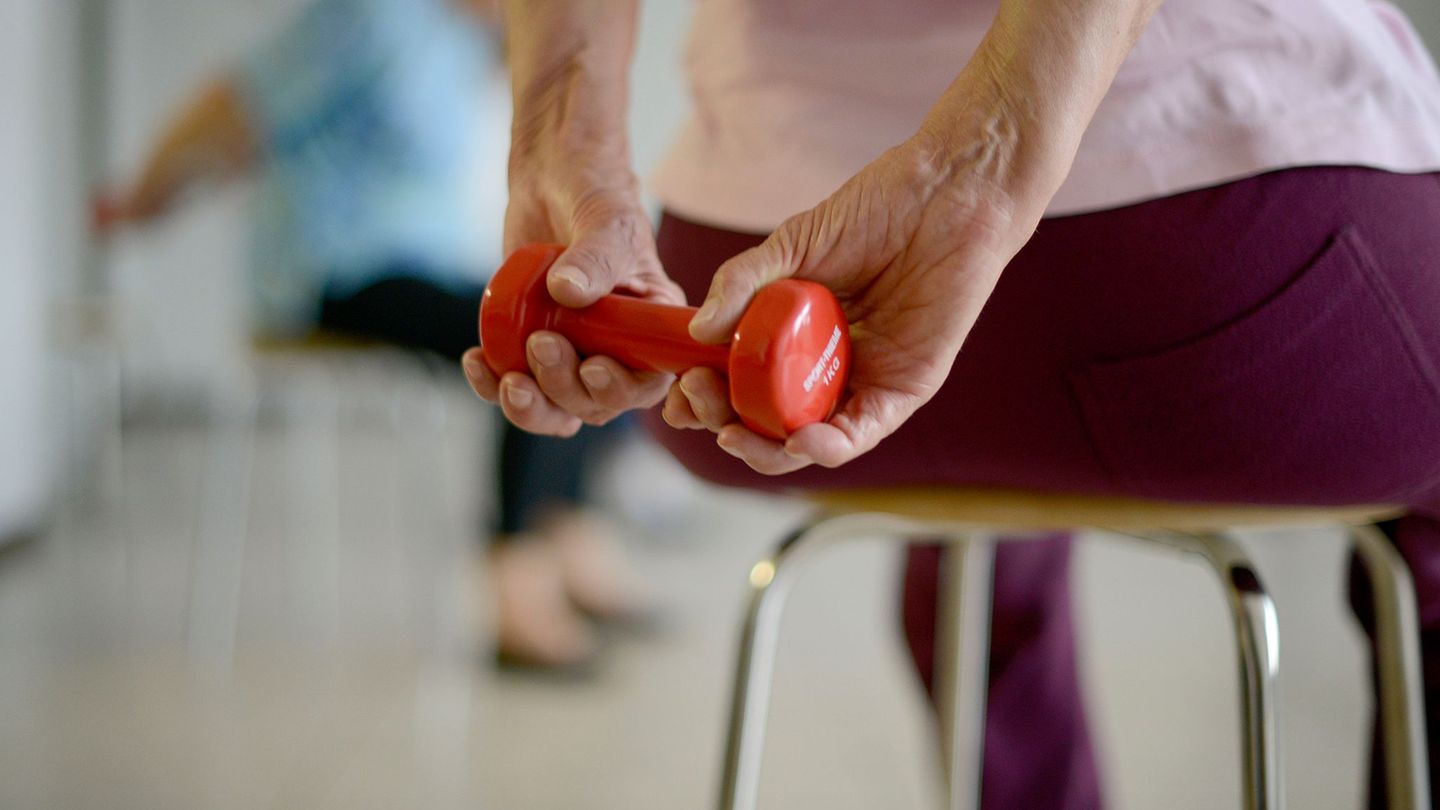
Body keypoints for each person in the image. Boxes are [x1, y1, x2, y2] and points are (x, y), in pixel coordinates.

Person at [464, 0, 1440, 805]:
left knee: (986, 515)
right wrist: (978, 169)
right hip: (1214, 257)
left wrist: (564, 144)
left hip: (736, 265)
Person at [97, 0, 648, 670]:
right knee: (536, 341)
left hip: (419, 266)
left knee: (579, 320)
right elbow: (232, 103)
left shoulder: (467, 42)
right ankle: (516, 588)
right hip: (335, 270)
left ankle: (571, 536)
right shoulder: (370, 15)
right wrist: (144, 196)